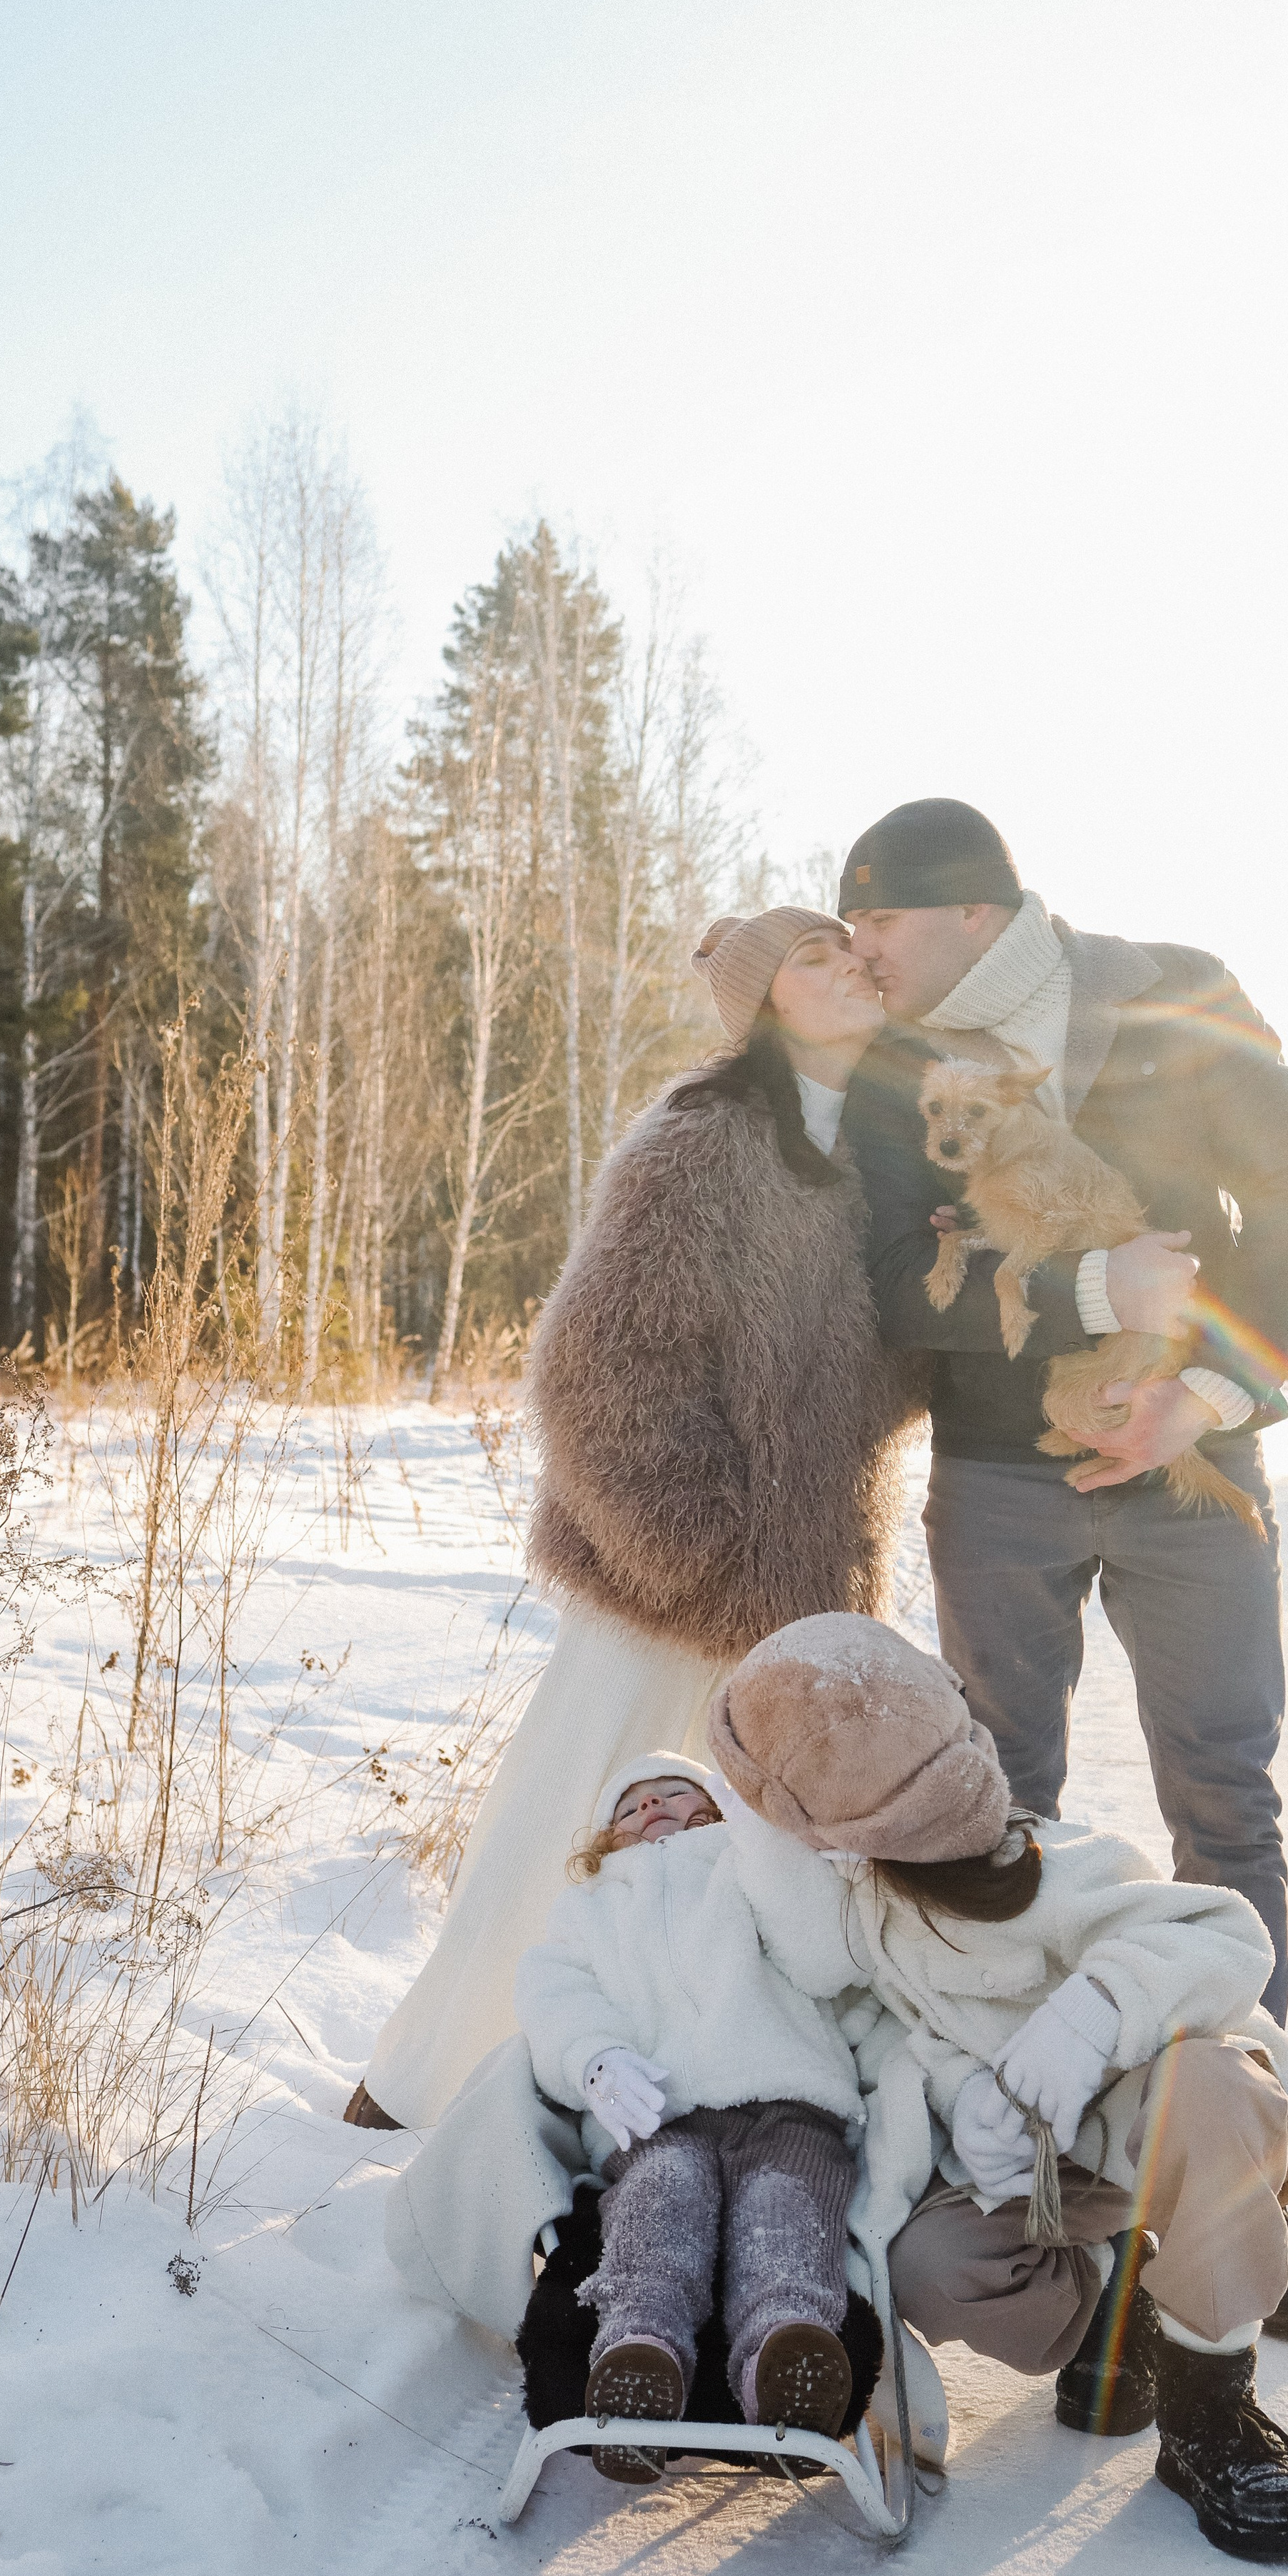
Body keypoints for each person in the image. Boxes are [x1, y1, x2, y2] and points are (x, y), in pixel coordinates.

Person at [346, 908, 918, 2131]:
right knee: (574, 1817)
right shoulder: (702, 1137)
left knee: (758, 1857)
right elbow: (597, 1359)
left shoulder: (874, 1155)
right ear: (764, 1005)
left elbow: (867, 1381)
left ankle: (700, 2086)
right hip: (672, 1579)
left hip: (803, 1584)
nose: (851, 967)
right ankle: (424, 2083)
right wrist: (692, 1550)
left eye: (850, 948)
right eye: (814, 958)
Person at [838, 799, 1288, 2049]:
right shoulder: (894, 1067)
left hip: (1196, 1453)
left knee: (1227, 1801)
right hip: (998, 1479)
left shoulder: (1178, 992)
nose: (862, 949)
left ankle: (1241, 2116)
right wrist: (1092, 1289)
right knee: (996, 1802)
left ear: (976, 909)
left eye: (880, 919)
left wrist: (1210, 1392)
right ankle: (1003, 2108)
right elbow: (894, 1277)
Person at [714, 1614, 1288, 2565]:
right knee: (930, 2263)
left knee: (1212, 2086)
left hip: (1159, 2134)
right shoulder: (866, 1903)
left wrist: (1090, 2017)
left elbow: (1226, 1935)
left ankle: (1210, 2409)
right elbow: (885, 2012)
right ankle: (1116, 2300)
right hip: (1044, 2171)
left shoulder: (1046, 1866)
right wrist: (967, 2098)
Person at [513, 1753, 871, 2473]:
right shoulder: (587, 1909)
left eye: (675, 1792)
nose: (652, 1807)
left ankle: (786, 2356)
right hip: (656, 2115)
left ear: (716, 1806)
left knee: (783, 2207)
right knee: (661, 2197)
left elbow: (825, 1957)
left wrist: (764, 1843)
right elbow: (553, 1993)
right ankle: (639, 2352)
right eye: (630, 1806)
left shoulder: (748, 1867)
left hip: (785, 2099)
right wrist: (594, 2057)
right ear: (607, 1839)